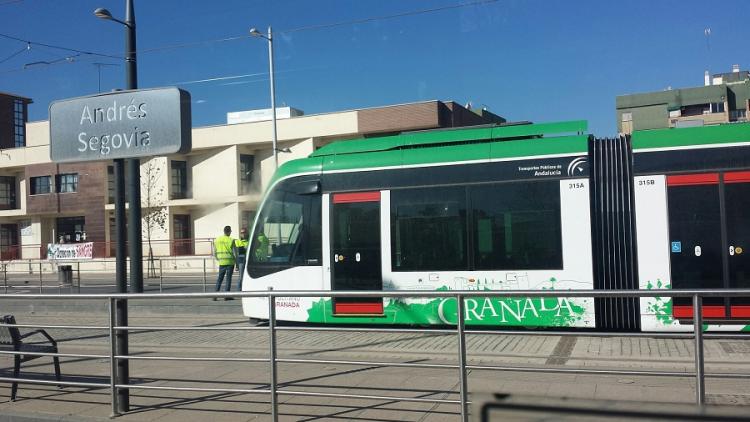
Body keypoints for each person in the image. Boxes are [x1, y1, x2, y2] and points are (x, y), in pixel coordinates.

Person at [213, 225, 235, 300]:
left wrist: (218, 259)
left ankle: (215, 295)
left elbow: (214, 252)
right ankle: (227, 296)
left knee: (220, 278)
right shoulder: (231, 240)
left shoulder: (217, 240)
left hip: (221, 262)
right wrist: (237, 263)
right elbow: (235, 252)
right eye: (230, 231)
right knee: (228, 279)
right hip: (230, 262)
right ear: (229, 231)